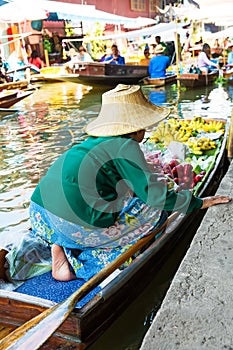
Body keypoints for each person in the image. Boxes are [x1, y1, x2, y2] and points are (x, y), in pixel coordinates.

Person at [28, 84, 231, 283]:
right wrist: (197, 203)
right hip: (71, 223)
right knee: (155, 214)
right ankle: (79, 263)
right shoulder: (127, 146)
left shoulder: (91, 143)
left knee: (115, 201)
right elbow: (155, 197)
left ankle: (60, 244)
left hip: (41, 217)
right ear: (136, 129)